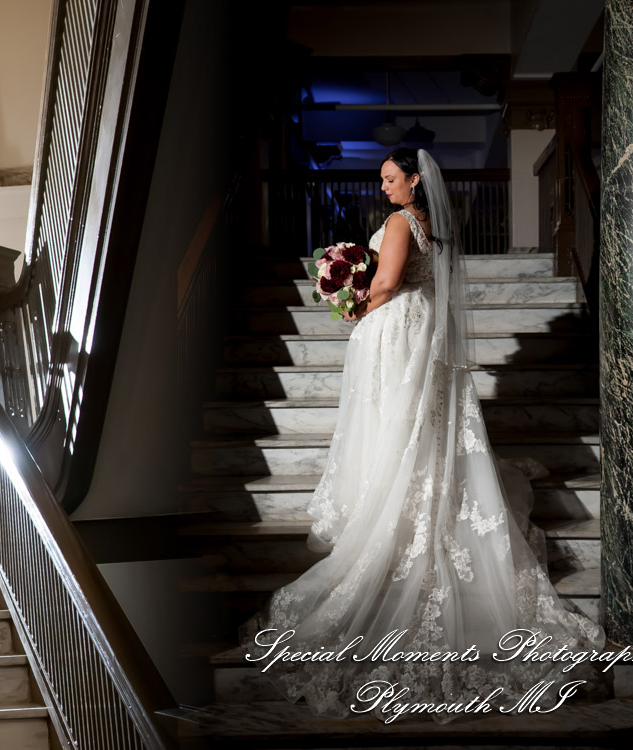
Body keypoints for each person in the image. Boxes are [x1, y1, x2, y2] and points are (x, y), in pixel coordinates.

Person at [237, 148, 607, 723]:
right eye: (382, 180)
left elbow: (386, 284)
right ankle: (416, 506)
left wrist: (352, 304)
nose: (384, 187)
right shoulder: (433, 225)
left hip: (397, 335)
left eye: (392, 178)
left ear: (414, 179)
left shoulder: (398, 222)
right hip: (420, 333)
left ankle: (396, 524)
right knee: (419, 431)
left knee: (399, 430)